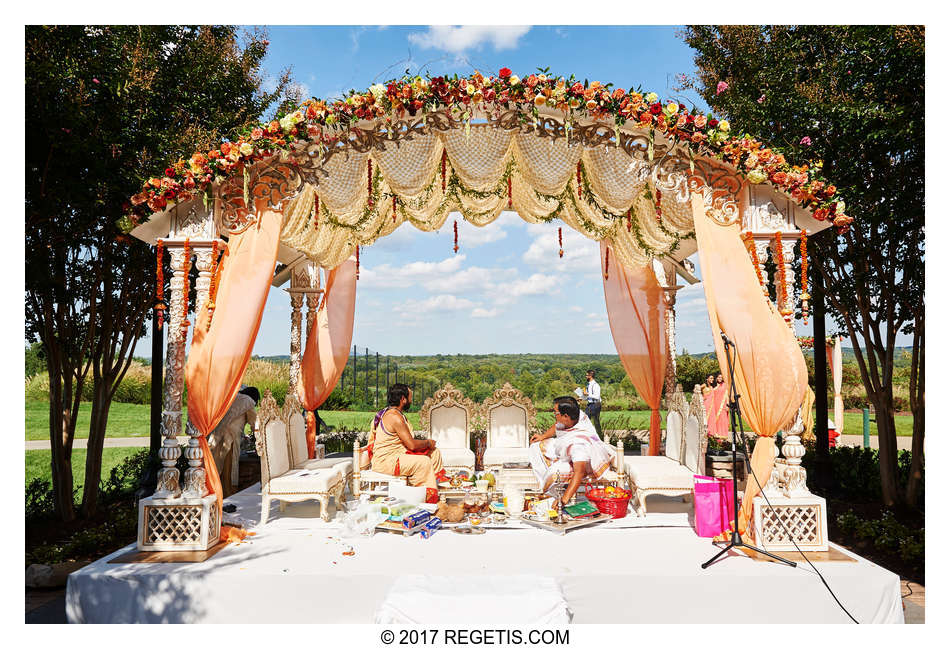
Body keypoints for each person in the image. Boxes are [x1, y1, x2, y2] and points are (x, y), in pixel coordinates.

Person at [528, 396, 615, 506]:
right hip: (565, 447)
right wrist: (543, 436)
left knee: (553, 473)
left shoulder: (579, 445)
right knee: (535, 447)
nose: (554, 415)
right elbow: (557, 426)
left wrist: (563, 500)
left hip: (583, 465)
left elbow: (579, 472)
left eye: (556, 413)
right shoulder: (576, 415)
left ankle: (552, 494)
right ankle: (546, 488)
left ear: (565, 416)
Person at [368, 383, 445, 503]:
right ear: (403, 399)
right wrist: (428, 443)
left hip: (397, 455)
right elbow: (412, 445)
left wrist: (429, 446)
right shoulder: (394, 417)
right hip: (387, 461)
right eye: (410, 398)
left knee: (434, 453)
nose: (411, 400)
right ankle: (423, 499)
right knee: (423, 462)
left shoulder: (395, 413)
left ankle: (433, 488)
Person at [208, 386, 259, 497]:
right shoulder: (249, 402)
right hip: (230, 439)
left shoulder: (234, 397)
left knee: (217, 466)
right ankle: (228, 495)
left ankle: (216, 493)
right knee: (229, 470)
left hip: (217, 434)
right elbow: (255, 425)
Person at [582, 369, 602, 437]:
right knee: (585, 420)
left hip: (596, 405)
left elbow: (597, 396)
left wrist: (587, 394)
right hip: (590, 404)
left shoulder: (596, 385)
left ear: (590, 376)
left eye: (587, 375)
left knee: (596, 422)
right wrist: (581, 398)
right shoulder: (588, 385)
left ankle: (599, 436)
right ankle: (587, 436)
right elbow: (588, 396)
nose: (585, 376)